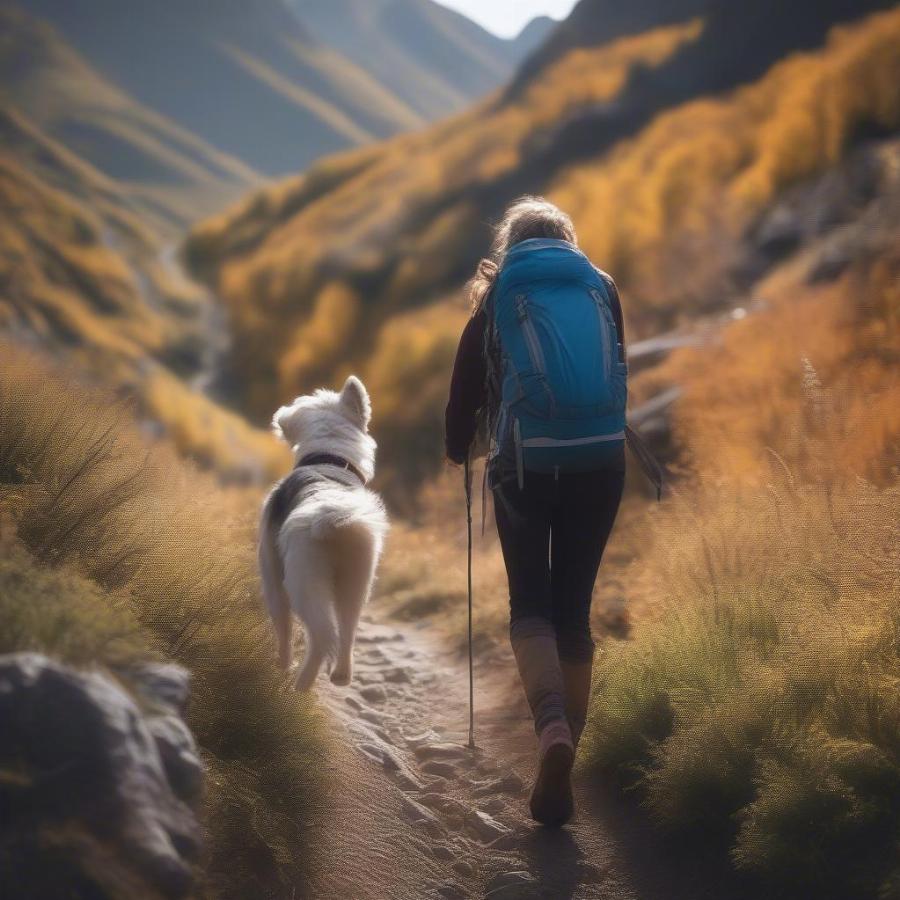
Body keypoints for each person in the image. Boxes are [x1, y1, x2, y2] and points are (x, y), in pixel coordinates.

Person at [445, 196, 626, 827]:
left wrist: (456, 449)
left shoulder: (498, 297)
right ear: (567, 241)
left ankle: (551, 732)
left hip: (523, 465)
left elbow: (463, 394)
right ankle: (567, 748)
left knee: (532, 606)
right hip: (601, 463)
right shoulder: (600, 287)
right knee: (574, 608)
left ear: (509, 246)